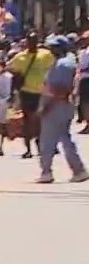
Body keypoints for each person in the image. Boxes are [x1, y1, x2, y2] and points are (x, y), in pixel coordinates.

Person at [37, 35, 89, 184]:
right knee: (65, 138)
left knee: (47, 140)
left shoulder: (62, 65)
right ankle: (78, 170)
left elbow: (60, 89)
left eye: (53, 47)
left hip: (56, 105)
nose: (51, 50)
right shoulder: (70, 61)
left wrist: (46, 106)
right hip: (65, 105)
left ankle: (46, 172)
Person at [9, 32, 54, 158]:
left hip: (42, 92)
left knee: (40, 120)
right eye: (29, 40)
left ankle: (40, 146)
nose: (32, 43)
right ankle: (28, 149)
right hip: (26, 92)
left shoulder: (45, 54)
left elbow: (52, 67)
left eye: (34, 40)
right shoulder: (20, 57)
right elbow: (10, 68)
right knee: (27, 121)